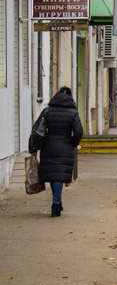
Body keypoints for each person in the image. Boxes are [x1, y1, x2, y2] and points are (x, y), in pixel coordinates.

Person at [30, 87, 83, 217]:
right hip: (65, 146)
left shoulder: (47, 111)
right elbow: (79, 132)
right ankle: (56, 203)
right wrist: (73, 143)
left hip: (48, 145)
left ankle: (57, 202)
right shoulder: (73, 113)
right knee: (59, 175)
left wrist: (34, 148)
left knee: (54, 176)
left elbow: (37, 129)